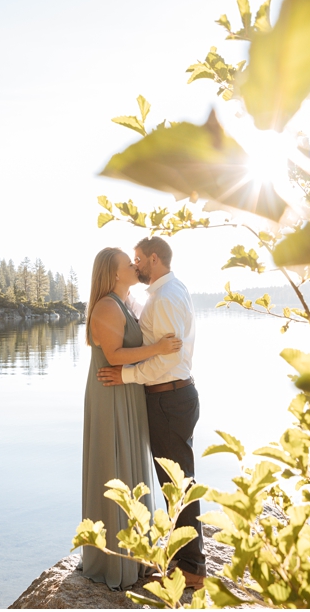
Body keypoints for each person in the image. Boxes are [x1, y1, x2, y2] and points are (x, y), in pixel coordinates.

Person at [97, 235, 206, 590]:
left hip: (169, 397)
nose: (136, 264)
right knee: (174, 480)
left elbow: (167, 360)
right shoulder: (162, 294)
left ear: (154, 259)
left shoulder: (166, 298)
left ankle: (192, 568)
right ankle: (183, 559)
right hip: (171, 397)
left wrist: (125, 374)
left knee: (177, 483)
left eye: (139, 259)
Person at [81, 247, 183, 589]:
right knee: (115, 465)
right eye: (128, 264)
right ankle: (113, 561)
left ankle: (136, 555)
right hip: (111, 395)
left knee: (129, 464)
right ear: (113, 274)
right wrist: (158, 349)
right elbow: (115, 355)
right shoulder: (108, 305)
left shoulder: (124, 302)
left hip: (126, 393)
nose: (134, 266)